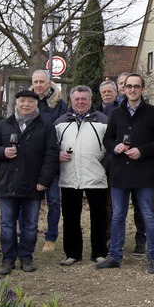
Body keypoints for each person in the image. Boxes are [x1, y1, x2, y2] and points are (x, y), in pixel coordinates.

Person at [0, 90, 59, 274]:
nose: (26, 104)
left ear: (36, 104)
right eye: (22, 101)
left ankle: (26, 257)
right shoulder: (4, 125)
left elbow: (51, 155)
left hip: (33, 184)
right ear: (16, 103)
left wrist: (44, 180)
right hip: (8, 183)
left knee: (30, 225)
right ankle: (8, 259)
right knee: (7, 225)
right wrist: (3, 152)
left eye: (30, 101)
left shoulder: (45, 126)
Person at [97, 74, 154, 273]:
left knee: (148, 215)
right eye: (128, 86)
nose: (132, 90)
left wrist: (142, 151)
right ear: (123, 89)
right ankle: (115, 256)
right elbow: (107, 139)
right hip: (120, 173)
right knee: (118, 216)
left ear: (142, 89)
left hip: (143, 173)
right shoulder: (116, 113)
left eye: (136, 86)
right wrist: (114, 147)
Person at [55, 85, 109, 266]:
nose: (80, 102)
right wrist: (57, 154)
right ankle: (72, 253)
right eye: (77, 99)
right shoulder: (60, 122)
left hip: (96, 176)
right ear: (71, 100)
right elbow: (51, 145)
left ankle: (99, 252)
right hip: (69, 176)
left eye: (84, 99)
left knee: (99, 217)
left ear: (90, 100)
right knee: (70, 217)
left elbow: (110, 147)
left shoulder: (103, 121)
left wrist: (103, 166)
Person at [29, 69, 67, 252]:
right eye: (35, 82)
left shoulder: (59, 104)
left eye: (41, 82)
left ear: (48, 82)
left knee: (53, 200)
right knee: (30, 201)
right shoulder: (27, 101)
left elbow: (65, 129)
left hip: (52, 160)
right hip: (31, 161)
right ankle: (28, 234)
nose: (38, 85)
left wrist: (60, 151)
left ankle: (51, 237)